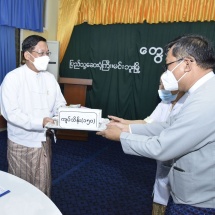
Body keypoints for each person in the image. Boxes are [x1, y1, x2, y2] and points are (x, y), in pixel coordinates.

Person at [97, 34, 215, 214]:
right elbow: (169, 126)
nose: (167, 73)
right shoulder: (200, 93)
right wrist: (127, 127)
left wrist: (121, 136)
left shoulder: (206, 99)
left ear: (187, 63)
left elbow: (163, 147)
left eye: (168, 65)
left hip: (197, 201)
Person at [108, 78, 188, 215]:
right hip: (163, 160)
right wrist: (124, 123)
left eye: (164, 83)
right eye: (160, 83)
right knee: (161, 192)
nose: (161, 87)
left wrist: (122, 132)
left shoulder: (188, 105)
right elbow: (148, 123)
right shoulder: (165, 103)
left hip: (179, 162)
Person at [0, 35, 67, 197]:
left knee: (42, 186)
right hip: (22, 143)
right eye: (41, 53)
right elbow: (11, 113)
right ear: (27, 55)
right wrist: (40, 122)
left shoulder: (50, 78)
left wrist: (70, 113)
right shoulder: (12, 78)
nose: (46, 57)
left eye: (47, 53)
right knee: (20, 188)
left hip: (44, 140)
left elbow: (60, 103)